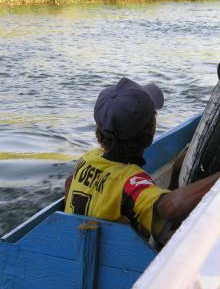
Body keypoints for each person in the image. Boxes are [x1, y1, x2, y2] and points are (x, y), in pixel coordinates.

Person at [64, 77, 220, 246]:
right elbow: (169, 208)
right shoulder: (131, 182)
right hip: (123, 265)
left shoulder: (88, 158)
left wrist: (176, 172)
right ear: (150, 131)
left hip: (77, 247)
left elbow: (69, 182)